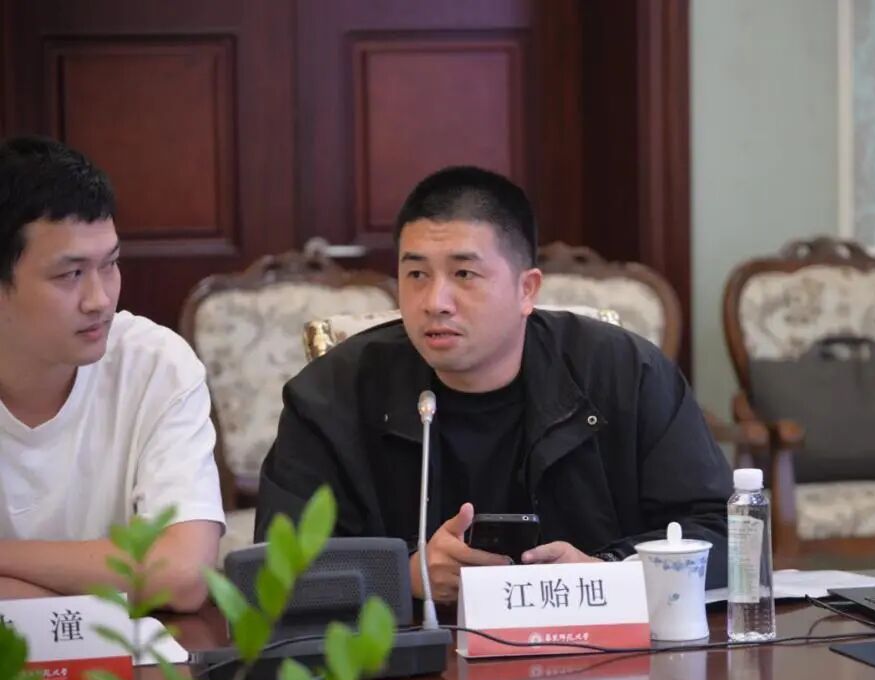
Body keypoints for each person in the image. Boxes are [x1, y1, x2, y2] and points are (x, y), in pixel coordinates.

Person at [255, 165, 732, 602]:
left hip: (596, 648)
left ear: (527, 290)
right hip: (409, 656)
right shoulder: (332, 393)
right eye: (416, 274)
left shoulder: (625, 372)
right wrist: (405, 576)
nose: (435, 301)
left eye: (464, 273)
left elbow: (724, 534)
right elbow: (273, 570)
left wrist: (606, 572)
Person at [0, 136, 224, 611]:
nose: (100, 299)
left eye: (110, 264)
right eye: (70, 274)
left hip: (134, 654)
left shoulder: (156, 365)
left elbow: (184, 574)